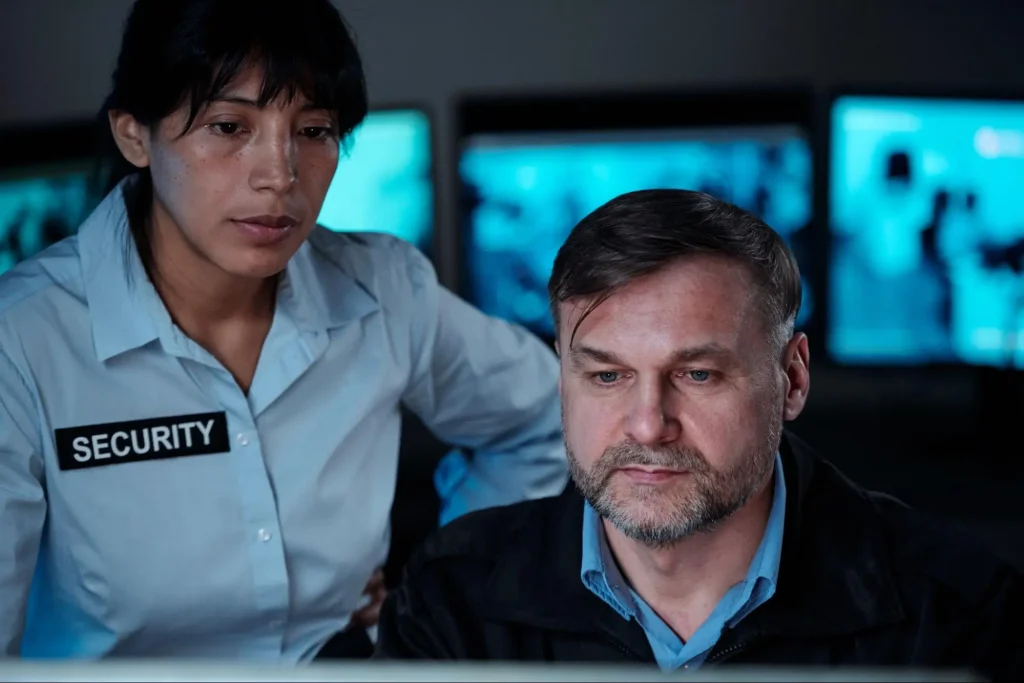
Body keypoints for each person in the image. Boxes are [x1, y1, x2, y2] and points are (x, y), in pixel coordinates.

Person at [0, 0, 567, 661]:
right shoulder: (24, 339)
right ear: (135, 135)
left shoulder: (383, 288)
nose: (280, 175)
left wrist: (437, 583)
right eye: (229, 126)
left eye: (314, 130)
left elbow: (546, 416)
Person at [375, 189, 1023, 680]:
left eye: (698, 372)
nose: (649, 424)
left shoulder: (957, 614)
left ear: (792, 380)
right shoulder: (448, 603)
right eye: (607, 376)